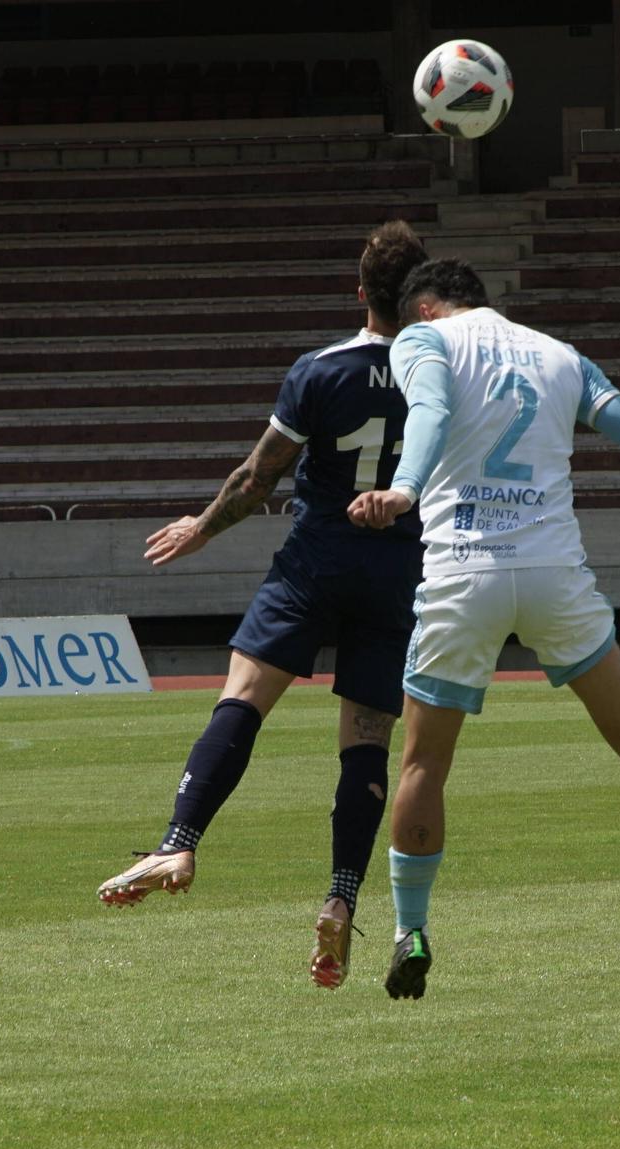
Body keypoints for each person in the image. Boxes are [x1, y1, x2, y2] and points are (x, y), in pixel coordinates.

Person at [346, 257, 620, 999]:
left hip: (464, 570)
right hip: (553, 571)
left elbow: (430, 414)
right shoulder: (560, 355)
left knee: (423, 763)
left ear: (424, 308)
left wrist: (404, 489)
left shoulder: (422, 343)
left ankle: (410, 929)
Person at [96, 221, 430, 992]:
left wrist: (200, 527)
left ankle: (180, 839)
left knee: (243, 697)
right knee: (366, 738)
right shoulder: (440, 380)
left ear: (359, 293)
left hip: (315, 559)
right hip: (396, 570)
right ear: (420, 299)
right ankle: (342, 896)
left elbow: (258, 477)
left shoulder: (320, 370)